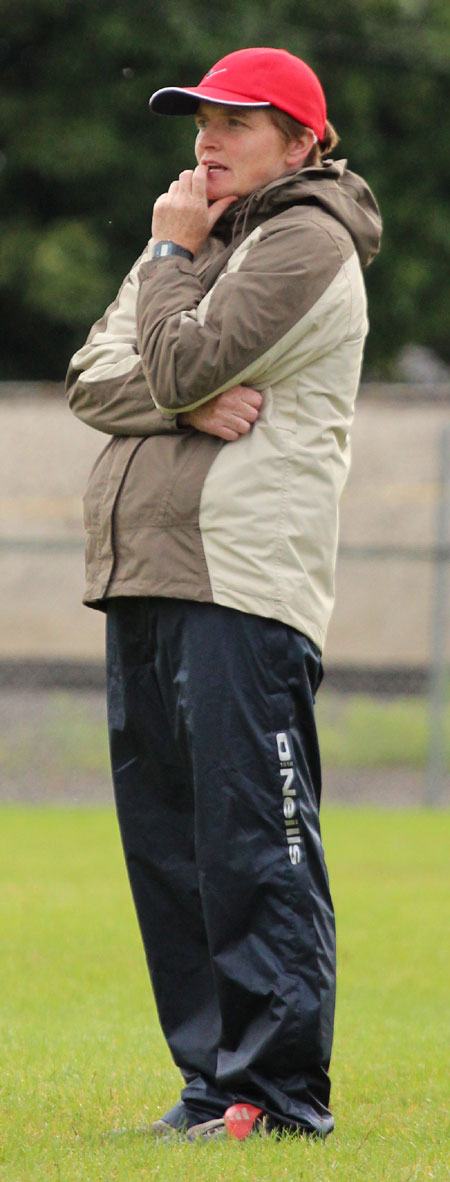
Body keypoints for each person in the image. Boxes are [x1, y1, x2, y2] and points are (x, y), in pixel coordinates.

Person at [66, 46, 381, 1142]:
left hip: (240, 578)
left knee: (254, 847)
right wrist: (183, 396)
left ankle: (281, 1095)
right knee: (169, 855)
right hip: (148, 572)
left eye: (240, 122)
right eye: (200, 118)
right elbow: (96, 375)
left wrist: (166, 265)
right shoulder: (201, 240)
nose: (209, 139)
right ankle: (216, 1091)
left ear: (303, 142)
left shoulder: (301, 236)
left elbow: (173, 360)